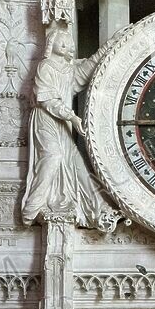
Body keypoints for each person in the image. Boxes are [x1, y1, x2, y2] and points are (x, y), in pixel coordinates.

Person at [21, 25, 121, 232]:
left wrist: (113, 43)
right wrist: (72, 117)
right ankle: (31, 208)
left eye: (69, 44)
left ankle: (99, 208)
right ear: (53, 45)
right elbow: (47, 100)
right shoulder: (46, 66)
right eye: (63, 43)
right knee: (53, 157)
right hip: (46, 120)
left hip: (63, 123)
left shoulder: (69, 69)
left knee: (75, 162)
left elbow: (89, 67)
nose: (68, 47)